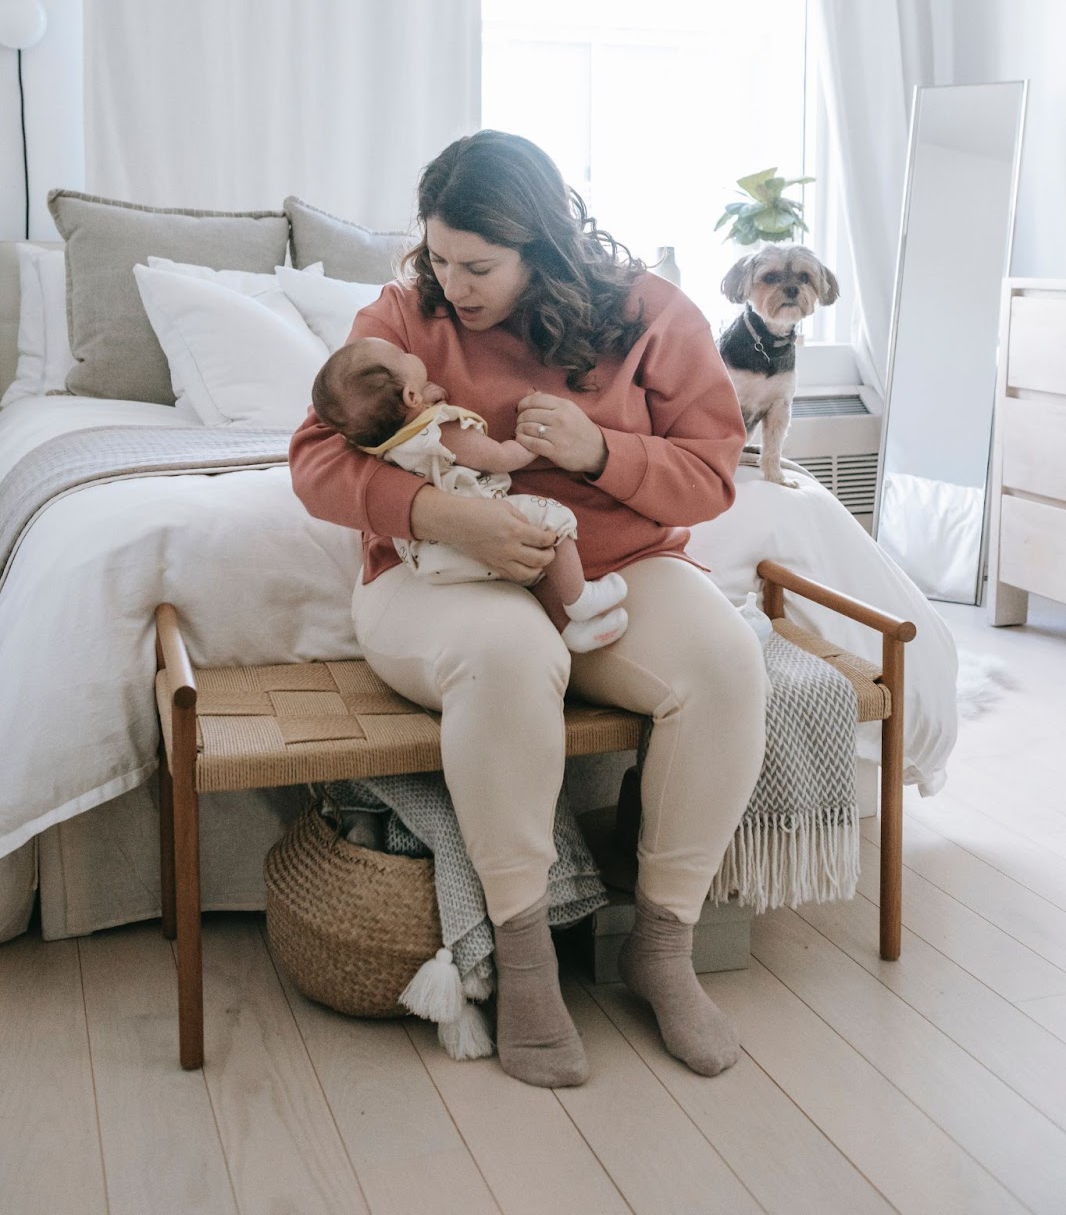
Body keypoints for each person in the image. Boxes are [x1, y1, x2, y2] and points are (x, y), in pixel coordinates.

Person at [290, 130, 768, 1089]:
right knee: (509, 659)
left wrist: (602, 456)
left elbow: (714, 475)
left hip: (614, 565)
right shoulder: (400, 315)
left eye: (479, 265)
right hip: (435, 583)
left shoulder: (646, 315)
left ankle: (662, 945)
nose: (451, 285)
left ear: (542, 245)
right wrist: (441, 512)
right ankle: (525, 963)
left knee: (724, 666)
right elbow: (315, 461)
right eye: (436, 256)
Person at [310, 336, 629, 652]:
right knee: (551, 523)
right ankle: (580, 598)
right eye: (403, 355)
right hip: (480, 528)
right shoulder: (443, 428)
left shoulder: (382, 446)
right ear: (410, 395)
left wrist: (424, 400)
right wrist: (534, 441)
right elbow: (500, 457)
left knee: (534, 570)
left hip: (433, 555)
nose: (410, 352)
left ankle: (571, 631)